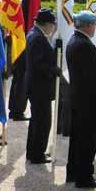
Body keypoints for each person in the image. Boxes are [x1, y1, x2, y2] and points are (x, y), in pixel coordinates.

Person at [65, 11, 96, 189]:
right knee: (87, 140)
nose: (95, 29)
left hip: (78, 99)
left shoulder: (75, 41)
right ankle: (84, 176)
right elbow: (92, 77)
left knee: (77, 139)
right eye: (94, 25)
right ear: (88, 26)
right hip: (88, 102)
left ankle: (73, 172)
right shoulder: (84, 45)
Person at [24, 9, 60, 164]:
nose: (53, 28)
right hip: (40, 87)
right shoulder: (38, 38)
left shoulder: (34, 34)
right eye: (52, 25)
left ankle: (33, 151)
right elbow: (38, 64)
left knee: (37, 120)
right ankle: (37, 153)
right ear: (46, 24)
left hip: (36, 86)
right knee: (42, 122)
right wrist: (53, 70)